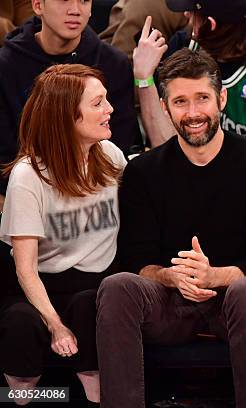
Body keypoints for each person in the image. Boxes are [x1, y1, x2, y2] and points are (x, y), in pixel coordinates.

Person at [95, 48, 246, 408]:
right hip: (169, 303)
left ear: (222, 99)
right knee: (118, 286)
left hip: (239, 303)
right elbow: (136, 260)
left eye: (202, 98)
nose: (193, 113)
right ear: (165, 108)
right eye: (181, 102)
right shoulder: (143, 172)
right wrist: (174, 277)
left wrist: (213, 276)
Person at [0, 64, 127, 406]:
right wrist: (55, 325)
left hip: (94, 284)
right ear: (67, 117)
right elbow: (25, 270)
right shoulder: (29, 176)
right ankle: (25, 401)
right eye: (98, 103)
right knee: (20, 327)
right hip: (39, 286)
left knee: (93, 308)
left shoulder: (111, 157)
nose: (109, 109)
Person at [0, 0, 140, 211]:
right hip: (27, 200)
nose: (75, 10)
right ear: (38, 6)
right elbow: (4, 152)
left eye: (84, 1)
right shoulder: (6, 66)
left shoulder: (113, 64)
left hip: (97, 202)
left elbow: (121, 141)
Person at [132, 0, 246, 167]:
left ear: (211, 25)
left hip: (245, 187)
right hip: (185, 181)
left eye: (193, 12)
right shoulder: (185, 45)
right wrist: (144, 77)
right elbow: (165, 150)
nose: (186, 14)